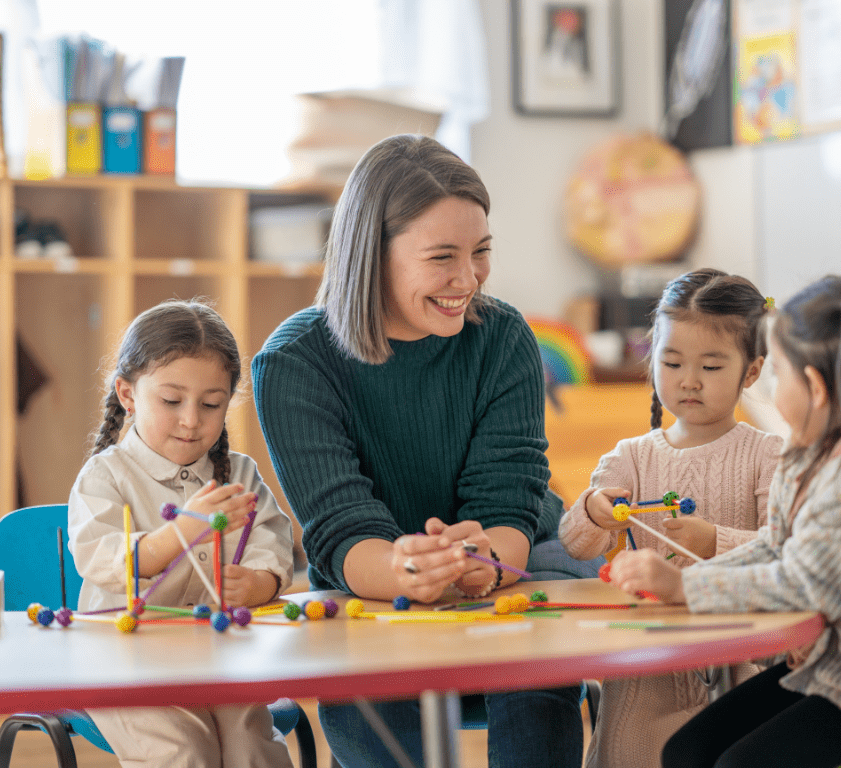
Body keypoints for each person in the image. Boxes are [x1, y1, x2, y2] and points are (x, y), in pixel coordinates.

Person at [251, 133, 600, 768]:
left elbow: (510, 502)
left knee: (535, 650)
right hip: (370, 584)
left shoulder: (503, 339)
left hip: (509, 561)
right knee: (371, 680)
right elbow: (341, 528)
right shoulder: (294, 362)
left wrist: (485, 564)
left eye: (482, 252)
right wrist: (410, 572)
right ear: (371, 255)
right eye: (442, 257)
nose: (467, 279)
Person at [609, 274, 841, 768]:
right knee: (686, 751)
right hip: (836, 672)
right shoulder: (809, 453)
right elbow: (777, 546)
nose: (771, 386)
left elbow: (807, 585)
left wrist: (685, 589)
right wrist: (689, 579)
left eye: (780, 373)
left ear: (815, 387)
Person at [560, 268, 784, 768]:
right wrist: (596, 512)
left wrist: (713, 541)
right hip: (646, 676)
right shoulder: (631, 456)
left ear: (750, 372)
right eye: (672, 361)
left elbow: (784, 548)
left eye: (711, 366)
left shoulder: (767, 454)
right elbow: (575, 544)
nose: (688, 380)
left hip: (739, 667)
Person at [68, 299, 295, 768]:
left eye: (211, 404)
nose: (192, 420)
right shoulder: (105, 476)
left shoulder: (239, 474)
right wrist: (184, 529)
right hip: (120, 661)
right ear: (128, 395)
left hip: (215, 654)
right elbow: (105, 558)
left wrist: (258, 583)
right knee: (184, 750)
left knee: (252, 745)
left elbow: (272, 544)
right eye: (171, 401)